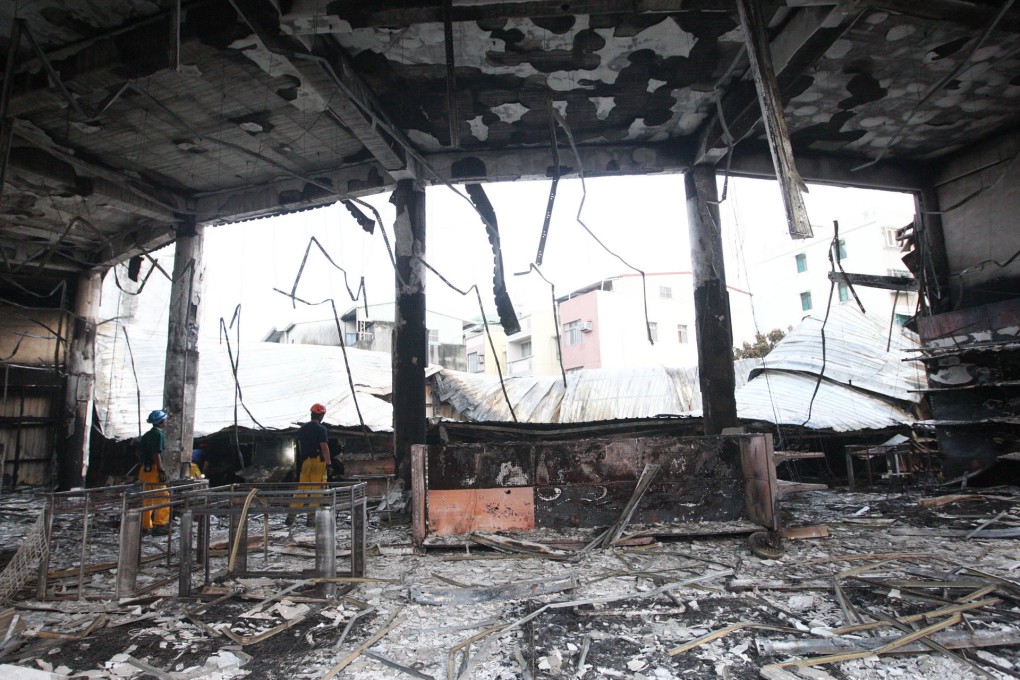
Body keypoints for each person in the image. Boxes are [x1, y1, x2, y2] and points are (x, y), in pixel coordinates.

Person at [287, 403, 332, 526]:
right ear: (321, 415)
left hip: (306, 462)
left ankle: (291, 516)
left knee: (302, 489)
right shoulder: (322, 429)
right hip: (318, 462)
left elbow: (301, 447)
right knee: (317, 489)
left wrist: (304, 459)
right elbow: (324, 447)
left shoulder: (302, 429)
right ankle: (311, 518)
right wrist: (328, 463)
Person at [138, 409, 171, 535]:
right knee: (163, 497)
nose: (166, 421)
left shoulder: (147, 435)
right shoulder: (158, 435)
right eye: (165, 419)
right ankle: (160, 524)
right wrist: (161, 469)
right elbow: (156, 453)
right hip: (153, 470)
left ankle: (146, 526)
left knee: (147, 498)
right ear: (161, 421)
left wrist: (144, 461)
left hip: (144, 469)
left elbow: (138, 451)